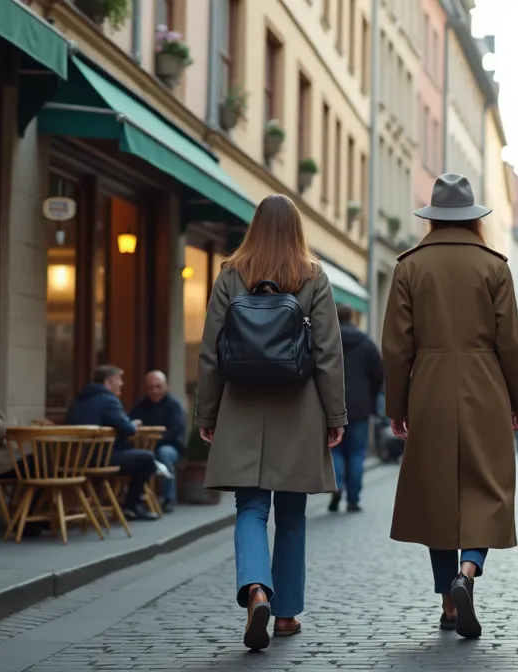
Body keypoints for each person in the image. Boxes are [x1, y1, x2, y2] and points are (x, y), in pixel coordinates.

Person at [195, 193, 347, 651]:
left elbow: (210, 351)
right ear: (297, 230)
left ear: (254, 227)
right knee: (293, 515)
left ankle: (257, 589)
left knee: (250, 507)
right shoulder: (313, 276)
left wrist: (207, 412)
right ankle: (285, 616)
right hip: (299, 409)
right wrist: (335, 415)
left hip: (241, 406)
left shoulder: (230, 274)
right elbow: (328, 353)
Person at [382, 173, 518, 640]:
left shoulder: (409, 266)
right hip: (486, 387)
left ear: (432, 218)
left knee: (436, 494)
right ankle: (468, 571)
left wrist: (396, 406)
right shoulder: (494, 266)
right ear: (473, 218)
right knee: (487, 486)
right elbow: (510, 344)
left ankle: (449, 602)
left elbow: (396, 348)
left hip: (428, 388)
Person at [66, 366, 161, 522]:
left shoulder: (79, 399)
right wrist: (133, 424)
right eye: (119, 380)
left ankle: (125, 503)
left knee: (130, 451)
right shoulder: (108, 400)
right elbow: (127, 429)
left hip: (73, 460)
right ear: (109, 382)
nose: (122, 383)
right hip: (97, 460)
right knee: (147, 458)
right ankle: (131, 506)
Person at [332, 303, 383, 513]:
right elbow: (379, 374)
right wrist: (370, 397)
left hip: (333, 403)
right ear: (351, 317)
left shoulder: (328, 341)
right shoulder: (366, 343)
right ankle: (353, 499)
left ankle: (336, 484)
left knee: (334, 449)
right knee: (356, 453)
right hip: (360, 406)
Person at [128, 371, 186, 513]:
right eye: (150, 387)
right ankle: (134, 500)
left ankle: (169, 499)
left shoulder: (174, 405)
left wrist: (155, 441)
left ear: (166, 386)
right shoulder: (141, 405)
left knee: (163, 453)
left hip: (171, 447)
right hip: (145, 447)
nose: (154, 391)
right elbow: (129, 423)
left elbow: (176, 431)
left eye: (158, 386)